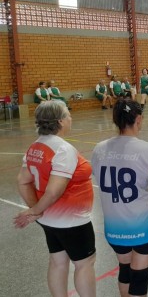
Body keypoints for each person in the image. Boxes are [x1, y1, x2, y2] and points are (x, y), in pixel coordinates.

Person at [14, 100, 96, 297]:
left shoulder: (35, 146)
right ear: (59, 121)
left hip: (49, 220)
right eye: (68, 114)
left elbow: (23, 181)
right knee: (85, 264)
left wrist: (38, 211)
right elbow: (54, 191)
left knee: (58, 261)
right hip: (72, 221)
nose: (71, 118)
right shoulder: (62, 149)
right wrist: (34, 210)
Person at [92, 99, 148, 297]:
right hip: (144, 227)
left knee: (125, 270)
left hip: (114, 228)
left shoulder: (99, 149)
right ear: (138, 119)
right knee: (140, 279)